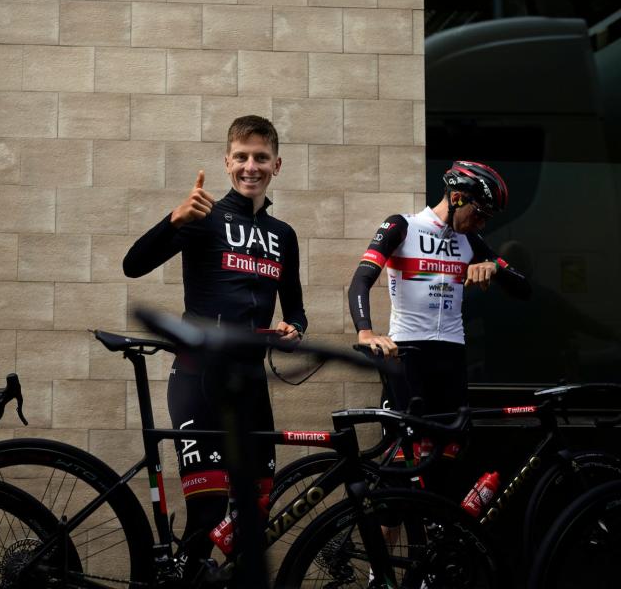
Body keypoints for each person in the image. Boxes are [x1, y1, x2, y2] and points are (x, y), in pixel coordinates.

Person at [123, 115, 307, 579]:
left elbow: (297, 310)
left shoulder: (283, 236)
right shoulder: (203, 217)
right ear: (227, 163)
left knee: (254, 518)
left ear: (277, 164)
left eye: (261, 158)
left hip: (250, 385)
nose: (251, 166)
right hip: (198, 381)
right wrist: (174, 221)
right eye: (242, 157)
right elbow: (133, 265)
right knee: (205, 518)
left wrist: (294, 329)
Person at [349, 160, 531, 418]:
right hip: (407, 351)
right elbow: (361, 281)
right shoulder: (402, 226)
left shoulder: (471, 240)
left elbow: (524, 289)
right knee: (406, 450)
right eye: (479, 214)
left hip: (451, 354)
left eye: (487, 218)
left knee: (449, 448)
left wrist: (495, 268)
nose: (481, 224)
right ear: (456, 197)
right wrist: (365, 332)